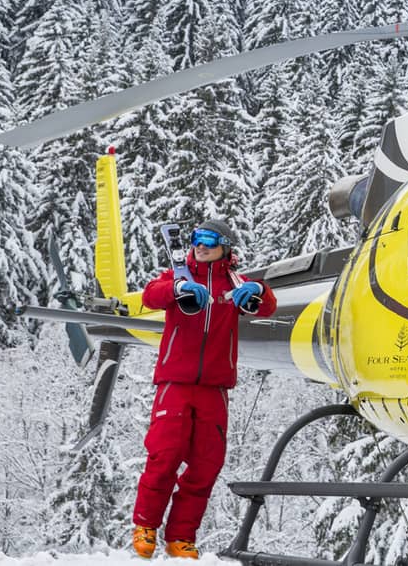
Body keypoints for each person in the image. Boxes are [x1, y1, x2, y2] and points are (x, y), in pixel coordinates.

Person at [130, 219, 276, 560]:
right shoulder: (180, 276)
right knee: (165, 453)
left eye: (210, 239)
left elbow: (267, 306)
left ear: (226, 246)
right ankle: (146, 525)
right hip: (176, 383)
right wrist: (178, 290)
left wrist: (257, 291)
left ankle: (181, 536)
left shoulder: (234, 282)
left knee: (207, 463)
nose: (201, 244)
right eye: (197, 238)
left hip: (214, 387)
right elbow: (150, 296)